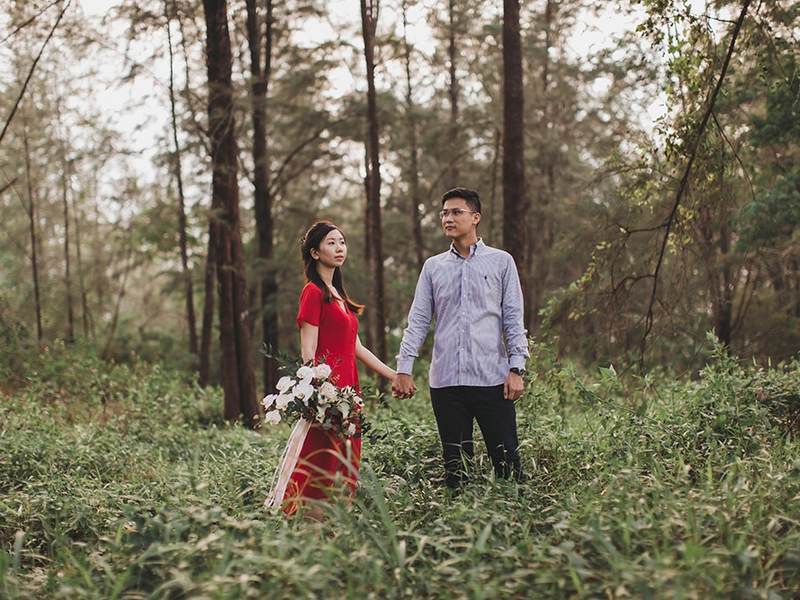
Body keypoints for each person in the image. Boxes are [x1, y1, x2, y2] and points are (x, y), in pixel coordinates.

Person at [392, 187, 529, 489]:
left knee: (508, 464)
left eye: (456, 212)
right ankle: (461, 532)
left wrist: (516, 369)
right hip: (447, 384)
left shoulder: (501, 262)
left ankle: (513, 525)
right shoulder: (433, 267)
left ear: (475, 217)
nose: (448, 219)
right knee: (457, 471)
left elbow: (513, 319)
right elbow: (417, 321)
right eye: (444, 213)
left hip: (493, 380)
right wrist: (404, 368)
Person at [274, 221, 398, 521]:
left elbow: (356, 347)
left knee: (346, 464)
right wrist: (319, 396)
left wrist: (394, 375)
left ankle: (336, 536)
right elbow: (308, 350)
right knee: (323, 465)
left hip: (348, 395)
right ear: (315, 253)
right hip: (328, 397)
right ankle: (312, 536)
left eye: (342, 241)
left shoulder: (337, 294)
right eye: (331, 243)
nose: (339, 247)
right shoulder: (313, 292)